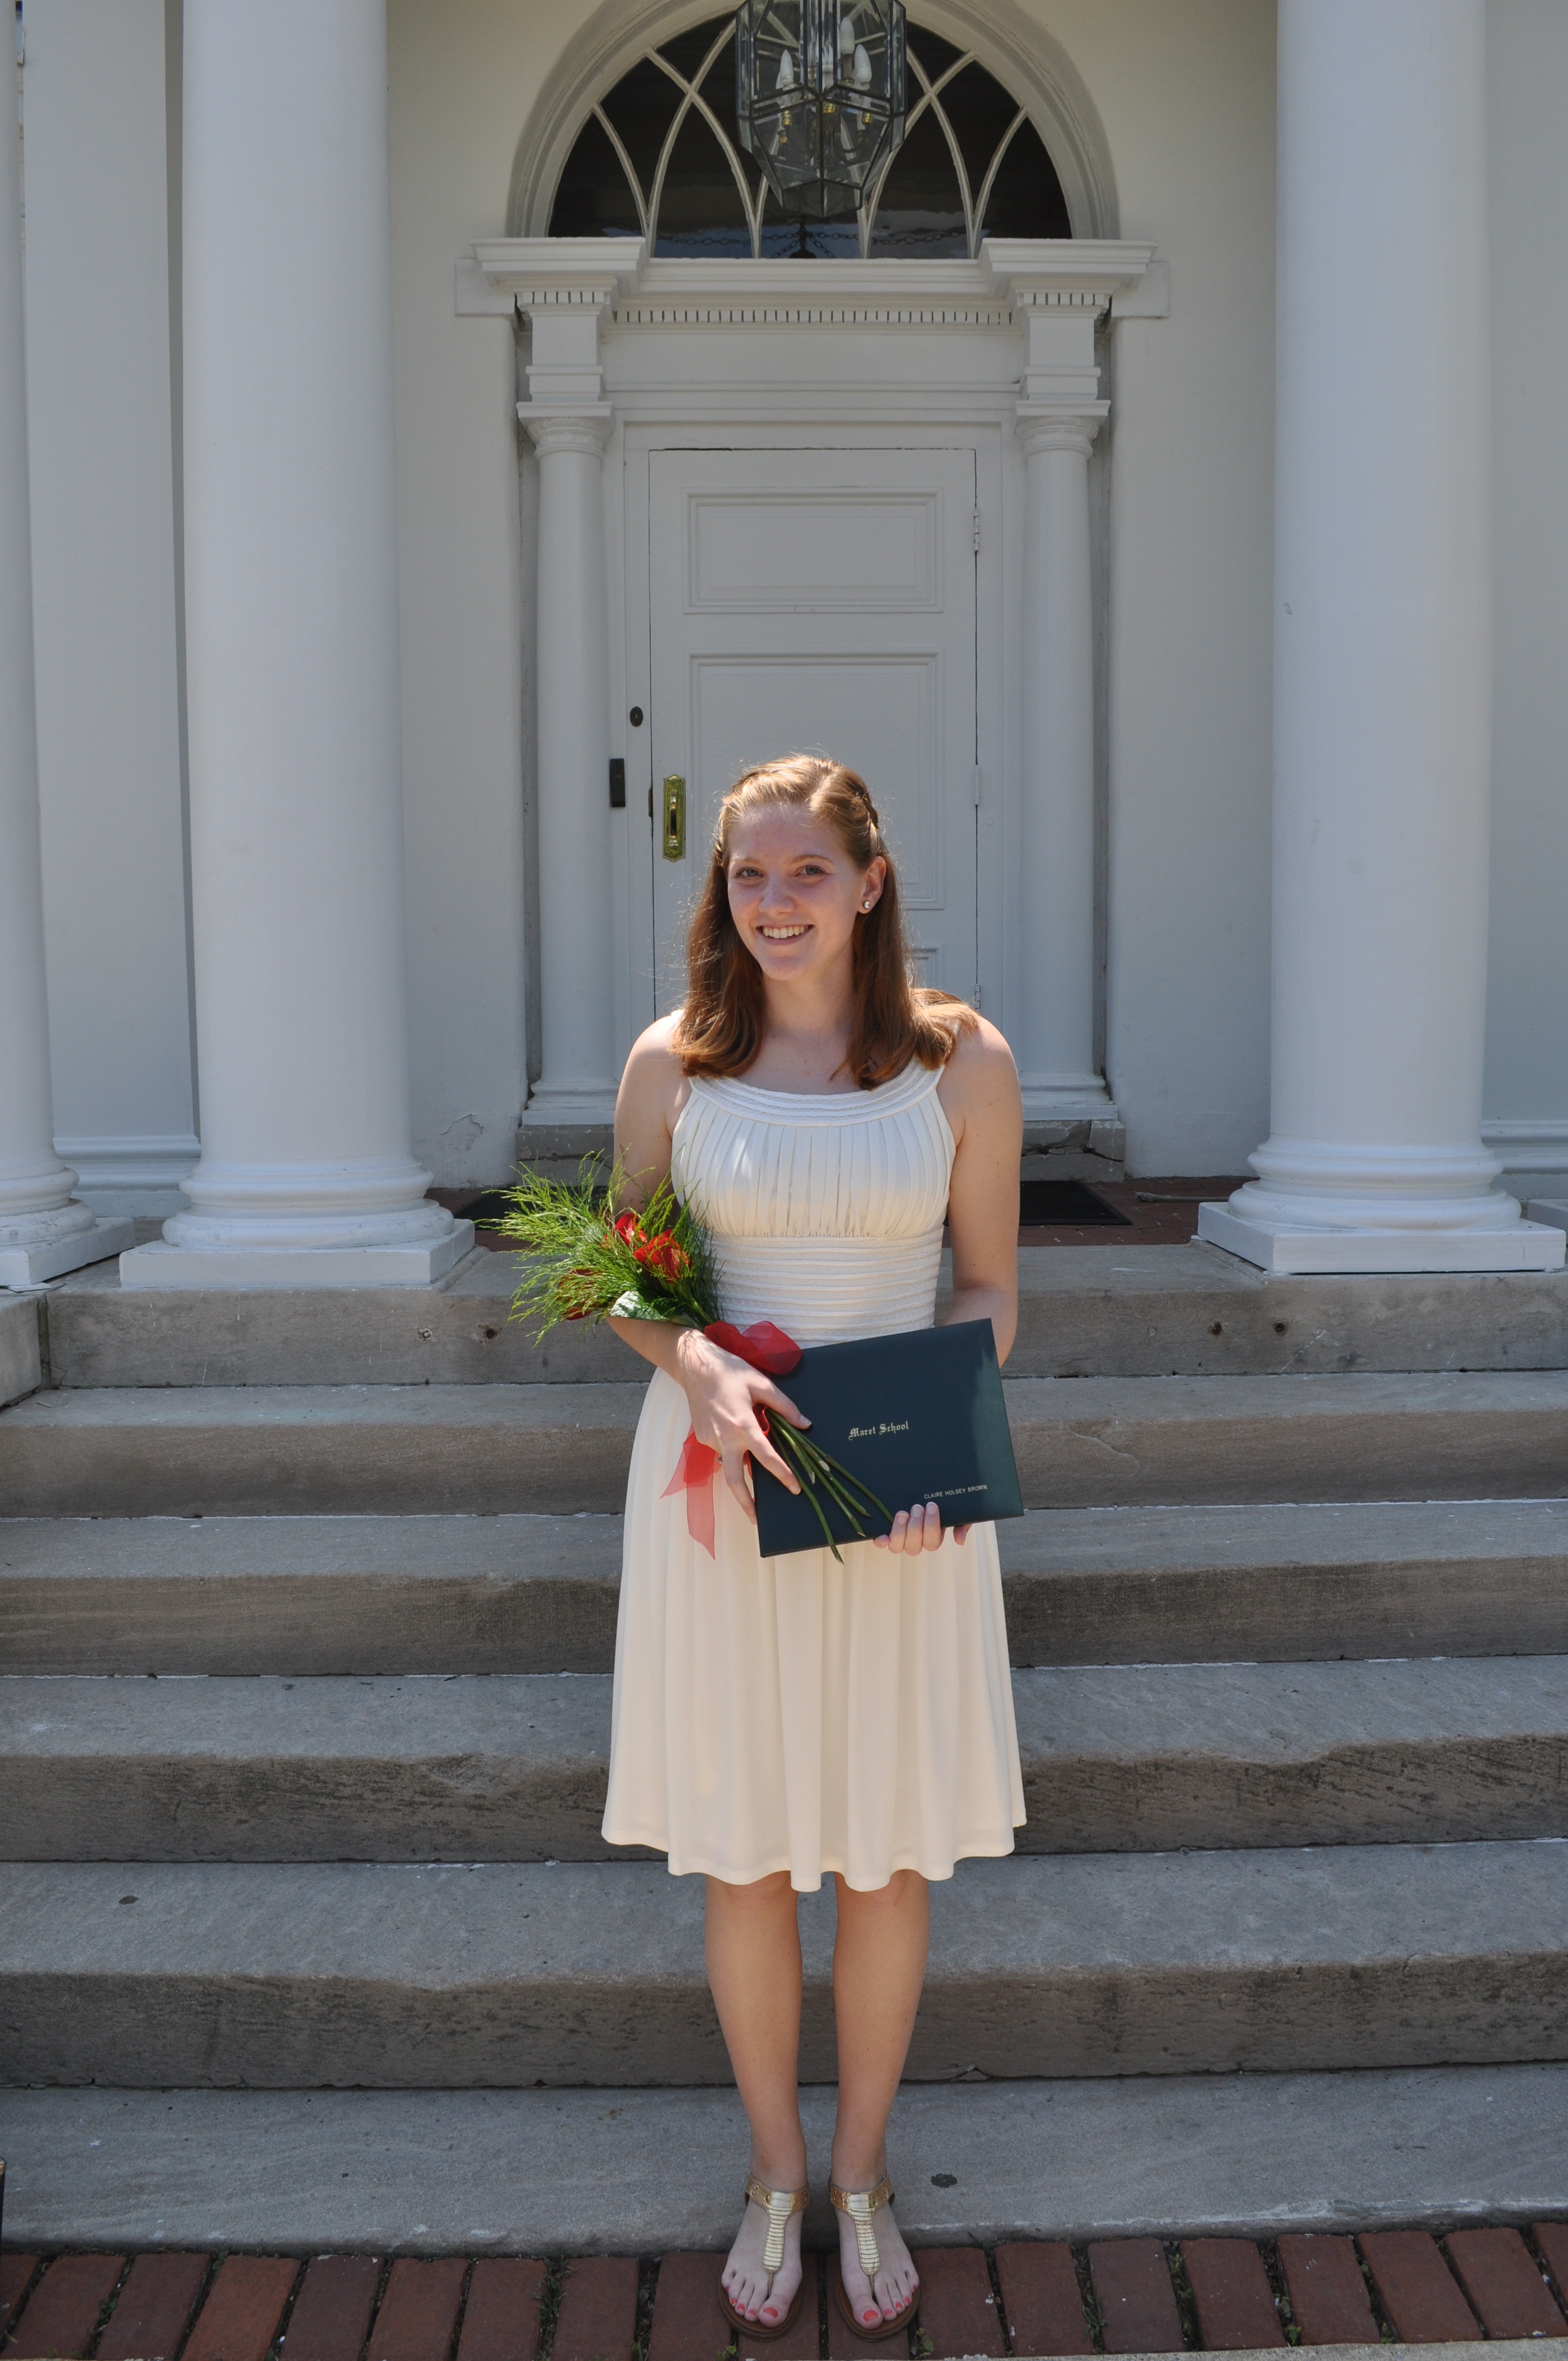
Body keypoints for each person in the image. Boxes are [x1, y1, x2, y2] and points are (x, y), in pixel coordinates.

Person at [604, 754, 1025, 2342]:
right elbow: (627, 1279)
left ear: (869, 883)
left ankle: (862, 2179)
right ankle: (774, 2176)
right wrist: (697, 1368)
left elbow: (987, 1289)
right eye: (747, 874)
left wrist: (938, 1449)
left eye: (805, 872)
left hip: (902, 1512)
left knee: (885, 1853)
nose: (773, 903)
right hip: (724, 1496)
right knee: (748, 1850)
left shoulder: (958, 1064)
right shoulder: (674, 1063)